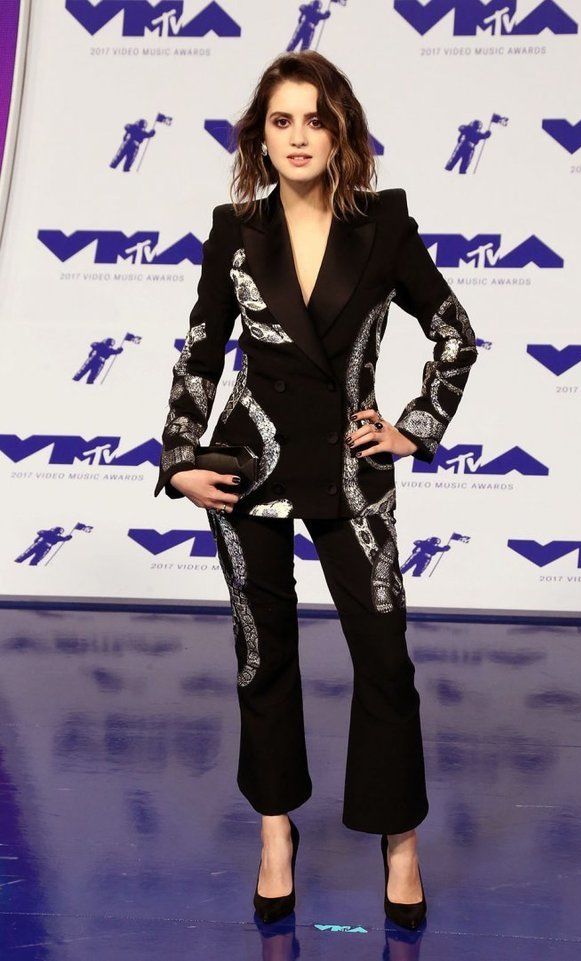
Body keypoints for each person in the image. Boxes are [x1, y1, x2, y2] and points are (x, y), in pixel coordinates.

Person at [154, 50, 479, 929]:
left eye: (316, 119)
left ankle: (399, 840)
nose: (298, 137)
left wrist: (413, 426)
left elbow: (455, 334)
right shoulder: (235, 228)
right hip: (248, 465)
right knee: (261, 657)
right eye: (281, 120)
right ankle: (275, 833)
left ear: (342, 133)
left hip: (348, 470)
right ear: (260, 136)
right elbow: (200, 350)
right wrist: (180, 456)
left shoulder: (384, 225)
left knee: (385, 657)